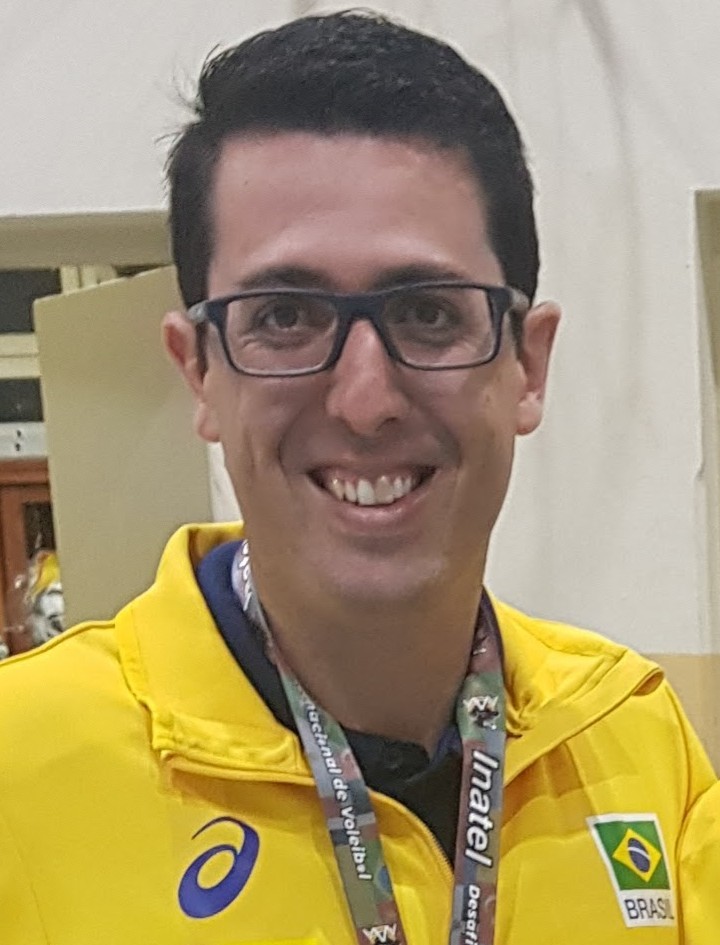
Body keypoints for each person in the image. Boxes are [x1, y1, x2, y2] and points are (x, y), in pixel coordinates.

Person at [0, 11, 716, 945]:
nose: (366, 399)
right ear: (199, 372)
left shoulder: (633, 738)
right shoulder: (21, 770)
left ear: (528, 366)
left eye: (429, 312)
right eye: (285, 315)